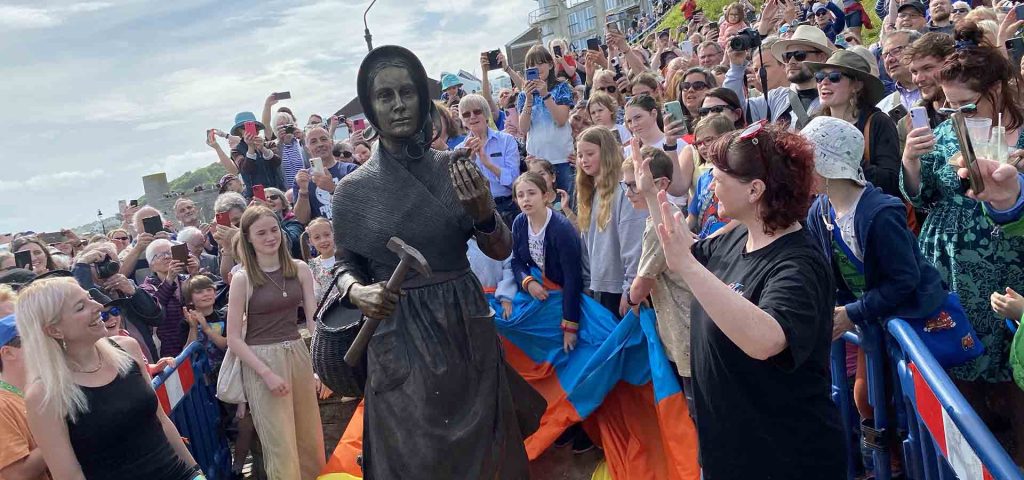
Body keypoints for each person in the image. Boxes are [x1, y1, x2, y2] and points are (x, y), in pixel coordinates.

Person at [329, 45, 542, 478]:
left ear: (423, 100)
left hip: (463, 323)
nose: (398, 104)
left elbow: (500, 249)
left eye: (407, 92)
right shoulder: (352, 191)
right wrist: (358, 290)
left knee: (486, 450)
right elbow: (342, 265)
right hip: (397, 329)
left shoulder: (454, 168)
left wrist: (484, 212)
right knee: (413, 453)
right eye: (385, 96)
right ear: (370, 108)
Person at [652, 120, 846, 478]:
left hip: (786, 461)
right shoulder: (736, 236)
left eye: (720, 178)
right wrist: (651, 194)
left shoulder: (798, 264)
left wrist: (687, 267)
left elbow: (766, 340)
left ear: (755, 189)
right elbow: (685, 252)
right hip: (730, 454)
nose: (711, 186)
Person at [901, 22, 1024, 463]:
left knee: (1014, 377)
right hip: (951, 264)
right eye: (947, 105)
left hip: (1011, 263)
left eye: (965, 103)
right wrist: (911, 161)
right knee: (962, 372)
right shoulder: (949, 131)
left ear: (997, 89)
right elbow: (921, 194)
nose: (954, 113)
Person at [802, 116, 950, 472]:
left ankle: (922, 466)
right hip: (875, 320)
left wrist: (852, 312)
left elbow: (905, 281)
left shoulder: (880, 213)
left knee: (923, 405)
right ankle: (891, 463)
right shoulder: (819, 211)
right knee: (868, 398)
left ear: (824, 166)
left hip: (914, 319)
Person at [16, 277, 201, 480]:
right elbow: (69, 475)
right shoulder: (44, 394)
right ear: (54, 330)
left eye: (89, 298)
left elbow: (162, 422)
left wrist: (197, 473)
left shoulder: (127, 348)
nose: (98, 306)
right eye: (80, 307)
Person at [225, 206, 325, 478]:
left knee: (310, 437)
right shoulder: (242, 279)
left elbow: (314, 322)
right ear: (248, 238)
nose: (270, 237)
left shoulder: (300, 268)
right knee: (280, 445)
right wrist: (266, 373)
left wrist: (319, 368)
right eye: (261, 233)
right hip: (262, 360)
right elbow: (233, 338)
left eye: (273, 230)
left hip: (297, 353)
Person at [626, 146, 695, 404]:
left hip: (685, 329)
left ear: (661, 183)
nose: (630, 193)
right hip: (679, 327)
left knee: (694, 407)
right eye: (628, 185)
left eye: (635, 185)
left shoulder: (662, 225)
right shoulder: (666, 217)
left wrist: (631, 300)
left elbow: (641, 284)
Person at [807, 49, 903, 197]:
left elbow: (891, 182)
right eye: (819, 77)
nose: (824, 82)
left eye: (834, 77)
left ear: (857, 86)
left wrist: (844, 159)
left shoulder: (878, 122)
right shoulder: (815, 124)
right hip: (826, 212)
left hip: (867, 213)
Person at [576, 127, 648, 317]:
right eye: (580, 155)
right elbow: (586, 244)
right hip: (599, 286)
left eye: (590, 153)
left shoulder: (624, 190)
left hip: (621, 288)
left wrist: (629, 289)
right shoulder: (589, 192)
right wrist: (586, 281)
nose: (584, 160)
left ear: (606, 153)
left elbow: (633, 243)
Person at [510, 172, 583, 351]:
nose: (526, 199)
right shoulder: (519, 222)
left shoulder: (561, 229)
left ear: (545, 196)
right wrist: (528, 282)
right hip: (540, 289)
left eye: (531, 193)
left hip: (565, 294)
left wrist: (570, 326)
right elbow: (516, 261)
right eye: (521, 195)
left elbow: (572, 278)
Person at [71, 241, 164, 363]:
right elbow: (77, 293)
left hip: (146, 362)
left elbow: (157, 317)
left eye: (112, 262)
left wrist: (135, 293)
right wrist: (82, 264)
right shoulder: (85, 294)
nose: (108, 267)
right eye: (99, 263)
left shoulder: (128, 287)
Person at [726, 24, 835, 128]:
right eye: (787, 56)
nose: (792, 61)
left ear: (821, 57)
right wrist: (736, 67)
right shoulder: (776, 97)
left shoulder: (836, 95)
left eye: (799, 55)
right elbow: (734, 109)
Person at [457, 94, 523, 229]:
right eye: (466, 114)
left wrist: (487, 163)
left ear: (486, 114)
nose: (472, 117)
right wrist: (469, 160)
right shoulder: (459, 150)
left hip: (507, 207)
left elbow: (515, 183)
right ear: (462, 120)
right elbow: (461, 190)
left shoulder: (506, 140)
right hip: (478, 212)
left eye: (477, 111)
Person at [518, 45, 576, 198]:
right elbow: (523, 129)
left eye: (540, 63)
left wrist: (545, 94)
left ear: (550, 64)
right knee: (544, 204)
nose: (536, 68)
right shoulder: (523, 95)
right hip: (537, 163)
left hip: (563, 159)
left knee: (568, 204)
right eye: (531, 66)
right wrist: (529, 99)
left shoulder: (562, 87)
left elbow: (561, 120)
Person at [0, 314, 51, 480]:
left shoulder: (44, 388)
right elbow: (16, 475)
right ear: (8, 353)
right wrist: (59, 429)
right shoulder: (2, 406)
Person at [140, 239, 197, 359]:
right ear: (151, 266)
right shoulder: (146, 288)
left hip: (198, 346)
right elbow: (154, 310)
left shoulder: (188, 279)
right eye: (160, 255)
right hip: (170, 355)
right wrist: (169, 279)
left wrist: (195, 275)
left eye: (170, 253)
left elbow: (206, 300)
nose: (167, 257)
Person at [686, 115, 739, 239]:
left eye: (708, 140)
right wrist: (678, 230)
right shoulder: (703, 178)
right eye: (698, 143)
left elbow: (743, 219)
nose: (703, 147)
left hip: (731, 243)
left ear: (727, 138)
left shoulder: (739, 176)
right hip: (706, 245)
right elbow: (693, 217)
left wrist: (709, 240)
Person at [292, 126, 358, 224]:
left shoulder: (351, 170)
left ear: (331, 142)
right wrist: (303, 191)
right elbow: (302, 219)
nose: (320, 144)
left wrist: (332, 189)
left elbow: (361, 206)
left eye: (323, 139)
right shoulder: (303, 179)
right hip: (323, 236)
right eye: (313, 142)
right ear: (307, 148)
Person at [229, 112, 285, 198]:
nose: (248, 131)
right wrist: (250, 148)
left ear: (257, 130)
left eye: (252, 127)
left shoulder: (269, 145)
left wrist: (263, 148)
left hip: (276, 193)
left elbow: (277, 162)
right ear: (239, 132)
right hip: (255, 197)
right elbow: (245, 170)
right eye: (244, 128)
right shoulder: (236, 151)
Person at [905, 32, 955, 130]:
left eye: (927, 68)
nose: (919, 79)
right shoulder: (910, 121)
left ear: (951, 64)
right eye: (914, 72)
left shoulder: (974, 110)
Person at [180, 275, 227, 373]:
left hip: (225, 371)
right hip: (201, 378)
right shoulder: (186, 322)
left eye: (209, 290)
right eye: (199, 292)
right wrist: (193, 328)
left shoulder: (225, 316)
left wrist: (207, 329)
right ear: (190, 300)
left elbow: (227, 346)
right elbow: (187, 355)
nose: (206, 294)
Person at [876, 30, 924, 115]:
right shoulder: (883, 109)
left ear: (918, 50)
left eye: (896, 51)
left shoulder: (943, 91)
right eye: (885, 55)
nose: (889, 59)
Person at [270, 112, 309, 192]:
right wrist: (281, 143)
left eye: (287, 125)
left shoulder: (300, 144)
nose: (285, 129)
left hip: (305, 189)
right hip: (285, 192)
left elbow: (311, 161)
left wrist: (304, 139)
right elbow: (275, 167)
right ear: (275, 129)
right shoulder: (273, 146)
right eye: (281, 127)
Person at [300, 217, 335, 301]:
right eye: (317, 238)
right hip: (330, 310)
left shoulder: (345, 257)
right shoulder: (313, 265)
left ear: (334, 234)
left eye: (327, 235)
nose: (323, 240)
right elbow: (316, 295)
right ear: (311, 242)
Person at [678, 67, 718, 132]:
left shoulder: (718, 122)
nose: (690, 90)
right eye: (686, 86)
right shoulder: (674, 125)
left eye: (698, 85)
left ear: (711, 89)